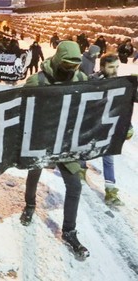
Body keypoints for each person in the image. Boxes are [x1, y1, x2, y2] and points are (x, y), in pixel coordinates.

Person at [20, 41, 90, 260]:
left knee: (75, 185)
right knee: (34, 174)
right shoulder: (37, 81)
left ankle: (69, 231)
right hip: (42, 139)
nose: (70, 70)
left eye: (75, 66)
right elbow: (19, 107)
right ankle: (30, 205)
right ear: (58, 59)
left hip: (67, 142)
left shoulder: (81, 79)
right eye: (67, 65)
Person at [87, 53, 134, 206]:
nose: (114, 70)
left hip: (109, 127)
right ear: (102, 67)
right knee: (85, 150)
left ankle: (110, 191)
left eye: (116, 67)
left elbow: (125, 105)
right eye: (111, 67)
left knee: (108, 159)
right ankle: (80, 168)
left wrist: (129, 126)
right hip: (91, 125)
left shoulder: (120, 83)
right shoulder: (92, 82)